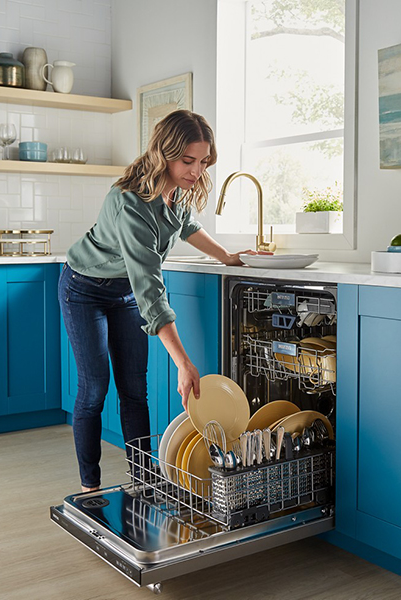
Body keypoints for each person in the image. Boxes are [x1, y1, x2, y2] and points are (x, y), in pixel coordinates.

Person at [59, 110, 262, 492]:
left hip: (125, 293)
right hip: (85, 288)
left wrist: (227, 257)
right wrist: (184, 364)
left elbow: (187, 226)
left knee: (134, 390)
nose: (196, 171)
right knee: (94, 388)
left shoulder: (176, 191)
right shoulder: (130, 202)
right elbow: (150, 289)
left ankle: (141, 483)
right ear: (164, 152)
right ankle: (91, 488)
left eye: (203, 162)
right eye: (188, 161)